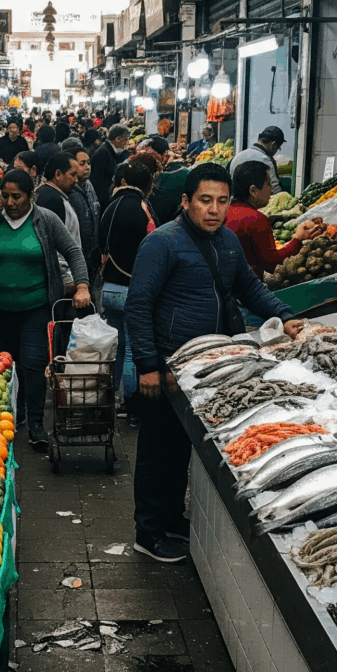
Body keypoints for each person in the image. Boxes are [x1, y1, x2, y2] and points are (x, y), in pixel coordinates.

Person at [125, 163, 305, 563]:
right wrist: (148, 364)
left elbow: (250, 288)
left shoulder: (226, 241)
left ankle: (173, 519)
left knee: (183, 450)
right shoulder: (162, 243)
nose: (214, 209)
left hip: (209, 367)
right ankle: (149, 532)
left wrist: (287, 317)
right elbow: (139, 307)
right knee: (159, 449)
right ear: (187, 202)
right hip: (171, 366)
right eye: (205, 201)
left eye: (222, 201)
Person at [0, 168, 90, 451]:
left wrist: (82, 286)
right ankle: (12, 417)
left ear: (31, 196)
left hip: (36, 307)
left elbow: (73, 251)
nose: (10, 202)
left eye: (17, 196)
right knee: (9, 362)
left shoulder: (45, 220)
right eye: (4, 195)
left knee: (32, 362)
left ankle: (36, 424)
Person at [98, 157, 158, 419]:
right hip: (131, 291)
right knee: (135, 350)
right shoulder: (143, 208)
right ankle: (132, 408)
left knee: (117, 348)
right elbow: (154, 248)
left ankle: (109, 403)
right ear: (147, 186)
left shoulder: (109, 207)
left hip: (109, 289)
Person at [227, 160, 320, 277]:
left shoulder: (225, 212)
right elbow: (272, 264)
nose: (271, 189)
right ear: (253, 191)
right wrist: (297, 239)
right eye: (269, 184)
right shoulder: (256, 220)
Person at [35, 154, 83, 292]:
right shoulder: (53, 200)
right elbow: (53, 246)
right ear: (58, 174)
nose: (76, 180)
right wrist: (66, 280)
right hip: (58, 281)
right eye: (72, 175)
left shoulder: (48, 193)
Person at [61, 137, 102, 293]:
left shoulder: (89, 185)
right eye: (82, 163)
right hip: (75, 258)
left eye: (88, 163)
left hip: (91, 256)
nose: (87, 167)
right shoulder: (68, 191)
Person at [229, 125, 286, 195]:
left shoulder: (237, 156)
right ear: (273, 145)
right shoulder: (265, 160)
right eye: (277, 148)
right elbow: (275, 190)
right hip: (256, 205)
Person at [90, 123, 130, 203]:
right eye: (126, 139)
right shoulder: (103, 153)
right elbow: (97, 181)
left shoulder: (110, 151)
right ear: (118, 139)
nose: (127, 142)